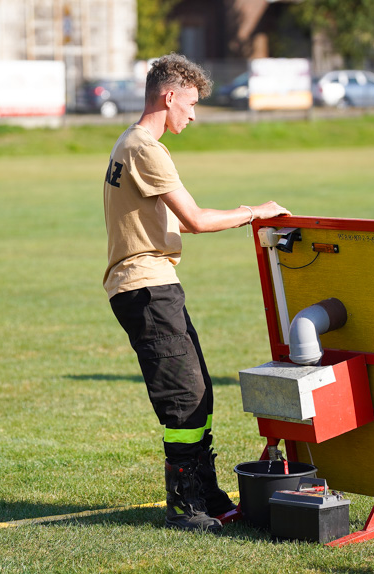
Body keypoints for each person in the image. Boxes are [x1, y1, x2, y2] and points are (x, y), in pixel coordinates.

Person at [102, 54, 291, 531]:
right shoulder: (145, 146)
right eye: (189, 104)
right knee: (183, 398)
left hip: (155, 282)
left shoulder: (131, 141)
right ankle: (186, 506)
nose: (192, 114)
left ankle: (205, 493)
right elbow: (198, 220)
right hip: (144, 285)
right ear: (168, 97)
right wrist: (256, 210)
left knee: (198, 393)